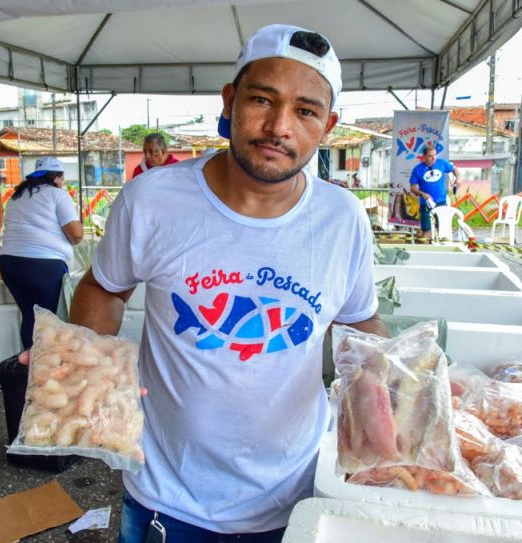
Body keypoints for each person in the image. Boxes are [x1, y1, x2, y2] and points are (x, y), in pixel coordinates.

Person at [70, 24, 387, 542]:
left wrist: (402, 387)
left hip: (297, 495)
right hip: (165, 496)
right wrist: (85, 360)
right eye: (263, 99)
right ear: (230, 100)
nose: (279, 126)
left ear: (327, 126)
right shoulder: (151, 201)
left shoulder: (343, 217)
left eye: (306, 111)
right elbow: (104, 288)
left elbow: (359, 320)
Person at [0, 157, 83, 349]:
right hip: (43, 266)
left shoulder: (16, 196)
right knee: (52, 321)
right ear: (57, 178)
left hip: (10, 264)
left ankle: (30, 368)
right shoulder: (57, 195)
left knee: (30, 316)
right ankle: (48, 371)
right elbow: (76, 235)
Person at [408, 146, 461, 240]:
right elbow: (413, 188)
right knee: (426, 231)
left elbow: (454, 169)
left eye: (435, 155)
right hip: (426, 202)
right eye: (430, 156)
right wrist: (422, 194)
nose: (433, 158)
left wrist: (458, 178)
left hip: (441, 201)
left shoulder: (442, 163)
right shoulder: (417, 169)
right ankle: (427, 246)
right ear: (424, 156)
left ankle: (442, 247)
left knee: (442, 230)